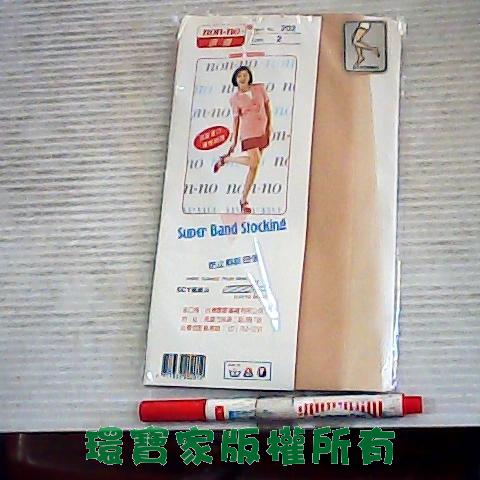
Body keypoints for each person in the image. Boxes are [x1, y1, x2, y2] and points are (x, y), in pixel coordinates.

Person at [213, 66, 272, 214]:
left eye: (245, 75)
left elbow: (267, 107)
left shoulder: (259, 88)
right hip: (248, 132)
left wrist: (270, 126)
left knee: (254, 167)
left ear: (249, 76)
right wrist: (234, 141)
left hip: (262, 130)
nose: (243, 78)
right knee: (254, 162)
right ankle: (227, 160)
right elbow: (236, 120)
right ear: (235, 79)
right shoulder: (235, 99)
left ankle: (243, 200)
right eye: (239, 76)